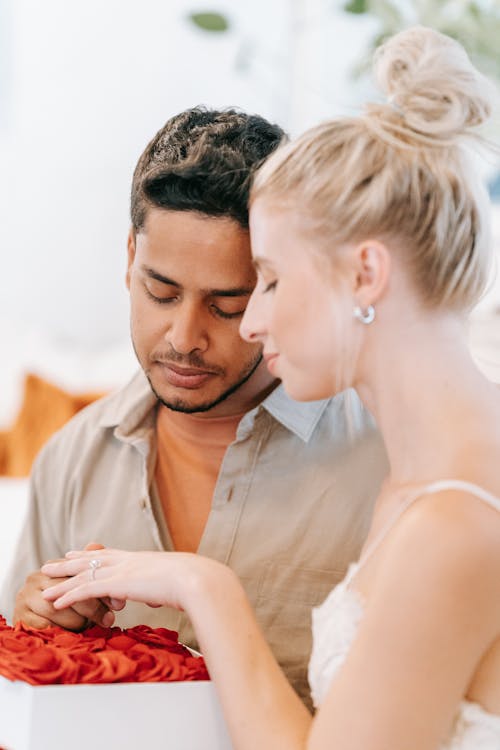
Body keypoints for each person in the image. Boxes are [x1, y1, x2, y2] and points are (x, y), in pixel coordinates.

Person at [42, 26, 500, 749]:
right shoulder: (417, 490)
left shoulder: (452, 516)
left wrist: (206, 588)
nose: (252, 322)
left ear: (367, 276)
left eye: (268, 283)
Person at [0, 106, 387, 705]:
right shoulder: (71, 460)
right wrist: (39, 634)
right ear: (130, 258)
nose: (184, 337)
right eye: (161, 291)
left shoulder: (383, 461)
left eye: (226, 305)